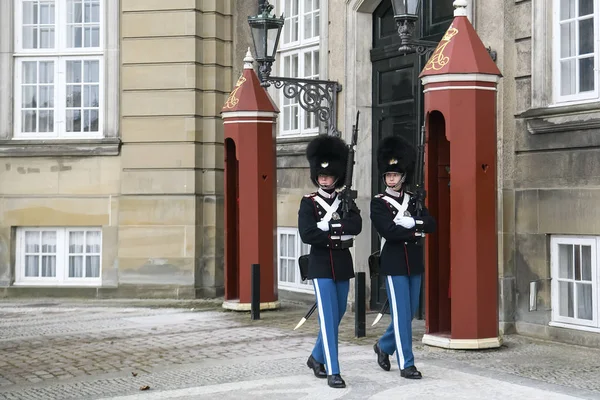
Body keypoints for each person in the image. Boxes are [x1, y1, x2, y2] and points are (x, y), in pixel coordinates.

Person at [298, 134, 362, 389]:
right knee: (327, 316)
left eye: (328, 176)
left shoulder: (345, 200)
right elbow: (307, 233)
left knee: (339, 313)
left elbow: (355, 225)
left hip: (342, 262)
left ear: (337, 177)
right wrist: (336, 232)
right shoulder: (308, 202)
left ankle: (316, 357)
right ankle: (333, 369)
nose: (324, 179)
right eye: (321, 176)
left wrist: (331, 226)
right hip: (321, 263)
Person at [370, 135, 436, 379]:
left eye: (395, 175)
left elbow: (431, 224)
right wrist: (414, 229)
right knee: (400, 315)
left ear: (403, 176)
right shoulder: (379, 203)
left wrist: (414, 221)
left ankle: (384, 346)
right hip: (395, 262)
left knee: (407, 314)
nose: (391, 179)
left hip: (414, 262)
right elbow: (388, 231)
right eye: (388, 175)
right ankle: (406, 363)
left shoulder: (414, 200)